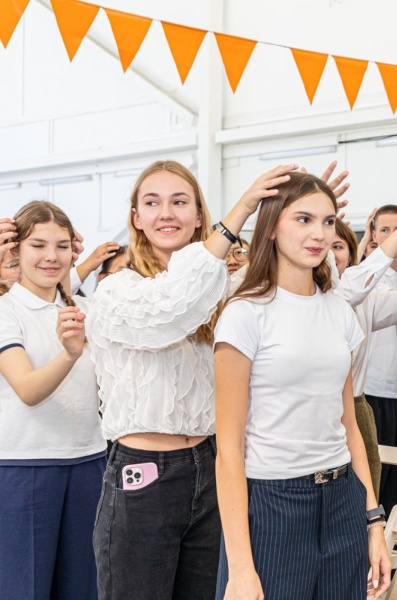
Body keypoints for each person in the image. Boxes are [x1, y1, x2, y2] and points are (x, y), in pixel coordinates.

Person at [88, 160, 318, 600]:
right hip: (144, 474)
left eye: (180, 201)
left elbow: (288, 293)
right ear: (136, 218)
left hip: (213, 468)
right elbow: (170, 310)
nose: (166, 213)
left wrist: (305, 223)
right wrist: (241, 210)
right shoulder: (118, 290)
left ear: (198, 216)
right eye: (152, 203)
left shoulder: (222, 287)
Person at [214, 172, 391, 600]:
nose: (319, 234)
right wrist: (240, 567)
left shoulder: (339, 311)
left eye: (328, 222)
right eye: (303, 219)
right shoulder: (245, 314)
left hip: (343, 499)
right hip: (273, 502)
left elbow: (349, 427)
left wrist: (374, 522)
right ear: (272, 227)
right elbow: (228, 449)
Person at [0, 201, 106, 600]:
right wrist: (69, 354)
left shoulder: (85, 309)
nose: (51, 257)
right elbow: (27, 389)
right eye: (38, 245)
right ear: (16, 249)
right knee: (23, 588)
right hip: (24, 464)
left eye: (62, 246)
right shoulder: (6, 311)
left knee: (84, 588)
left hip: (89, 460)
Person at [331, 206, 397, 498]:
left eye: (338, 247)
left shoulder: (369, 300)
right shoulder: (338, 295)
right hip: (328, 410)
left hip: (362, 404)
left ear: (351, 255)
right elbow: (352, 288)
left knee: (370, 492)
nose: (331, 254)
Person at [364, 204, 397, 518]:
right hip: (374, 389)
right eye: (385, 229)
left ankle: (395, 543)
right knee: (375, 477)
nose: (392, 236)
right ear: (374, 234)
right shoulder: (364, 278)